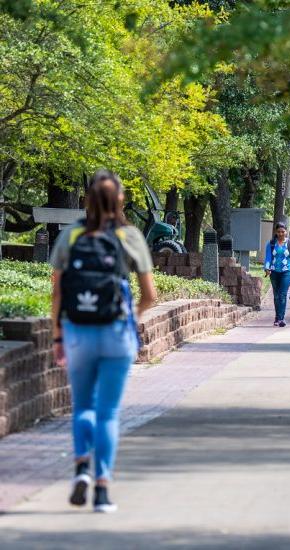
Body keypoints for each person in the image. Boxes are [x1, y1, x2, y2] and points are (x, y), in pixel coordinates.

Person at [50, 169, 157, 513]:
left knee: (82, 406)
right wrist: (131, 319)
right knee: (108, 413)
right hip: (116, 334)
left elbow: (57, 291)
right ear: (121, 200)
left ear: (88, 200)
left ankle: (81, 467)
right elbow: (150, 295)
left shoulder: (72, 235)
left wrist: (57, 335)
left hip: (78, 331)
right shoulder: (130, 237)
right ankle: (102, 491)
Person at [264, 222, 290, 327]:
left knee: (282, 294)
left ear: (286, 232)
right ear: (276, 232)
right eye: (279, 232)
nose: (281, 234)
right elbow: (268, 258)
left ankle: (281, 319)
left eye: (283, 232)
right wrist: (266, 268)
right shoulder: (271, 244)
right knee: (276, 295)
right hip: (274, 272)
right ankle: (277, 317)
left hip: (287, 272)